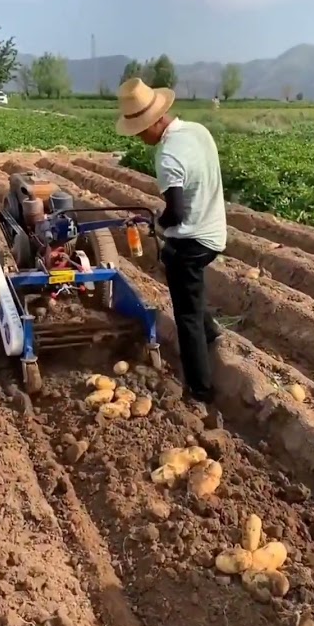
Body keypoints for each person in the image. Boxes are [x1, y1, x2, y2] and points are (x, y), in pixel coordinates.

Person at [115, 78, 227, 406]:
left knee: (185, 314)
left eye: (138, 129)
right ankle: (212, 332)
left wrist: (155, 223)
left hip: (193, 241)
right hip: (215, 231)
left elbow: (176, 213)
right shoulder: (197, 131)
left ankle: (200, 389)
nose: (138, 136)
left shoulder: (167, 157)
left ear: (154, 121)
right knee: (191, 290)